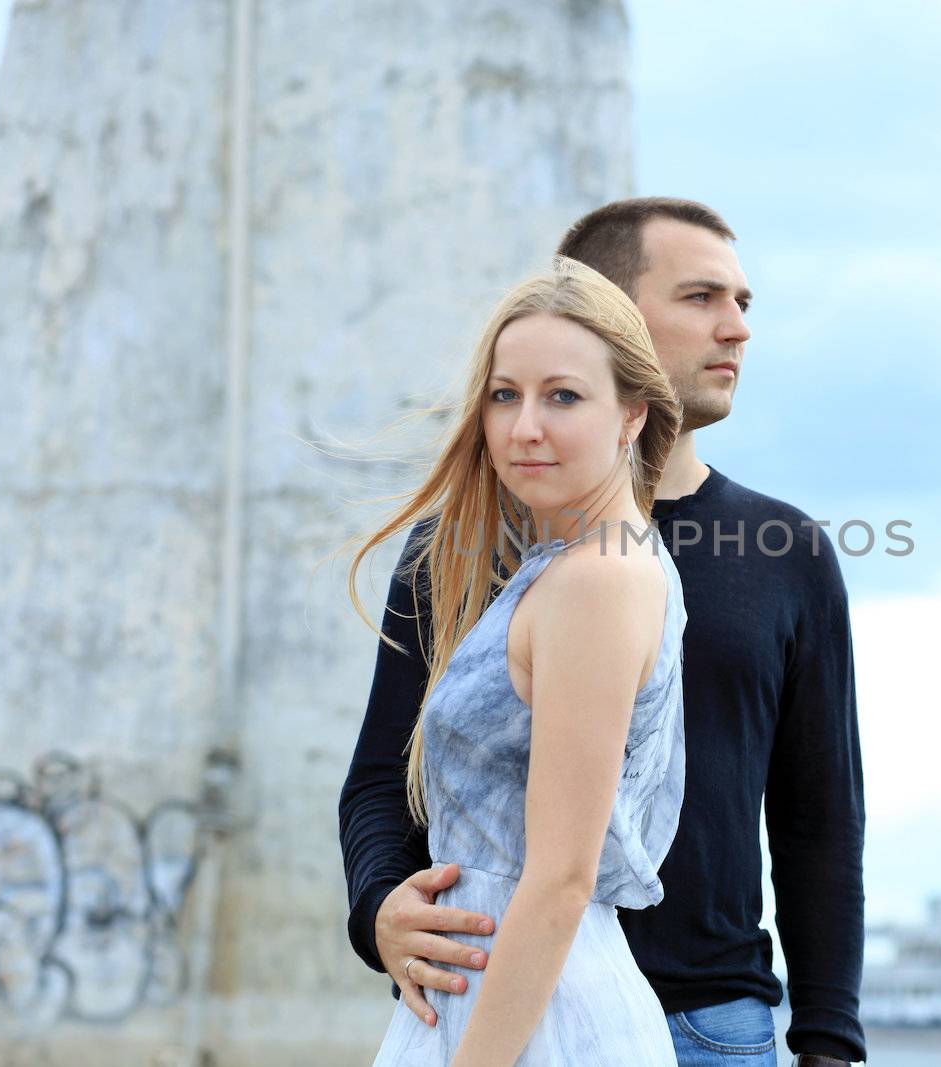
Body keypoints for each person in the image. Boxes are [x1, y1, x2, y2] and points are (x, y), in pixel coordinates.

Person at [341, 198, 867, 1065]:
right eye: (702, 298)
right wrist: (379, 909)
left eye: (744, 303)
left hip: (711, 1020)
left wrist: (828, 1043)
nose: (736, 329)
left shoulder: (784, 551)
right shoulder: (457, 548)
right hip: (497, 999)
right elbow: (380, 779)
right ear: (607, 307)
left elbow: (818, 822)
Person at [345, 256, 688, 1063]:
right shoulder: (574, 564)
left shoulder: (599, 577)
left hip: (538, 1016)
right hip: (499, 997)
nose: (523, 426)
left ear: (632, 413)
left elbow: (562, 880)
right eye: (505, 395)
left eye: (562, 395)